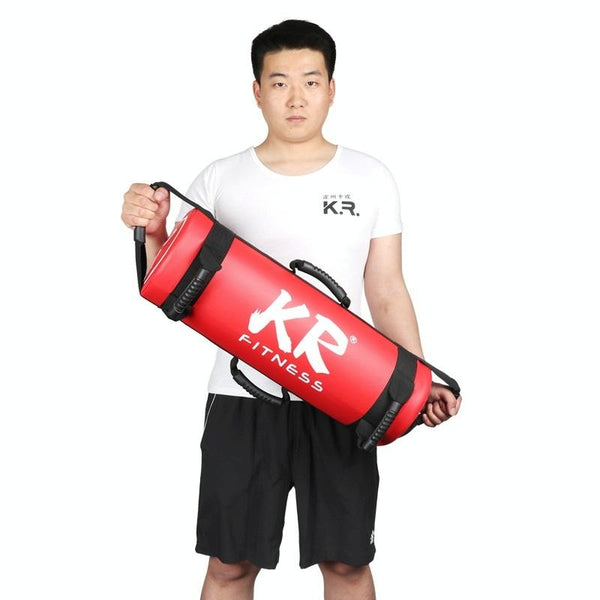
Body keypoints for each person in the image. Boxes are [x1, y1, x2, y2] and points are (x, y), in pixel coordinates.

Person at [121, 19, 462, 600]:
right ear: (257, 91)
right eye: (279, 83)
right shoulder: (220, 179)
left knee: (347, 564)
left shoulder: (370, 177)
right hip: (241, 398)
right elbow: (172, 282)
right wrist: (150, 229)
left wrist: (417, 379)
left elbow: (386, 288)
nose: (296, 97)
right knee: (230, 565)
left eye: (310, 81)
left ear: (332, 89)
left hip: (345, 392)